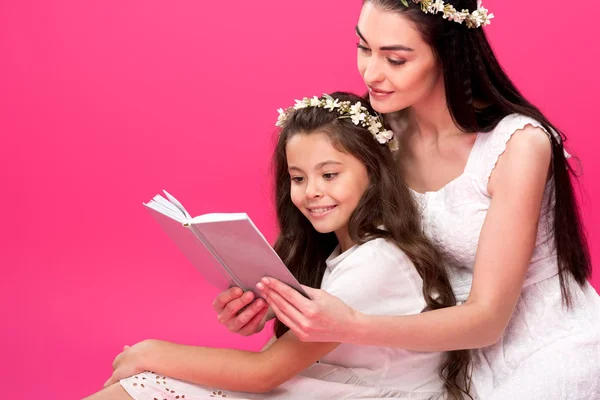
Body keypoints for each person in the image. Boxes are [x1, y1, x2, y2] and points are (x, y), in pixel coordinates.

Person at [213, 1, 600, 399]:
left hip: (542, 344)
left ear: (448, 54)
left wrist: (349, 324)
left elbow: (488, 320)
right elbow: (339, 237)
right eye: (364, 48)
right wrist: (275, 306)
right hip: (436, 352)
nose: (371, 73)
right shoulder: (380, 131)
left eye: (395, 59)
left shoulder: (517, 146)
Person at [84, 92, 473, 400]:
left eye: (330, 174)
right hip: (325, 383)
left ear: (373, 172)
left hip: (361, 392)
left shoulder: (378, 262)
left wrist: (150, 352)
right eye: (298, 178)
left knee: (144, 380)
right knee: (140, 386)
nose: (312, 192)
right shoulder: (338, 254)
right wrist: (261, 313)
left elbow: (265, 372)